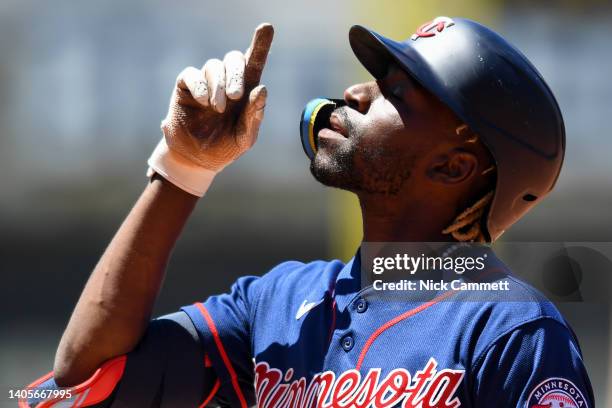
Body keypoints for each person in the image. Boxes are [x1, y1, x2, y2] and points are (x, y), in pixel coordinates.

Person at [21, 18, 594, 408]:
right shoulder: (274, 302)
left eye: (396, 90)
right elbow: (82, 381)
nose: (356, 93)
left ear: (452, 168)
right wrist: (182, 168)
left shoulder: (512, 331)